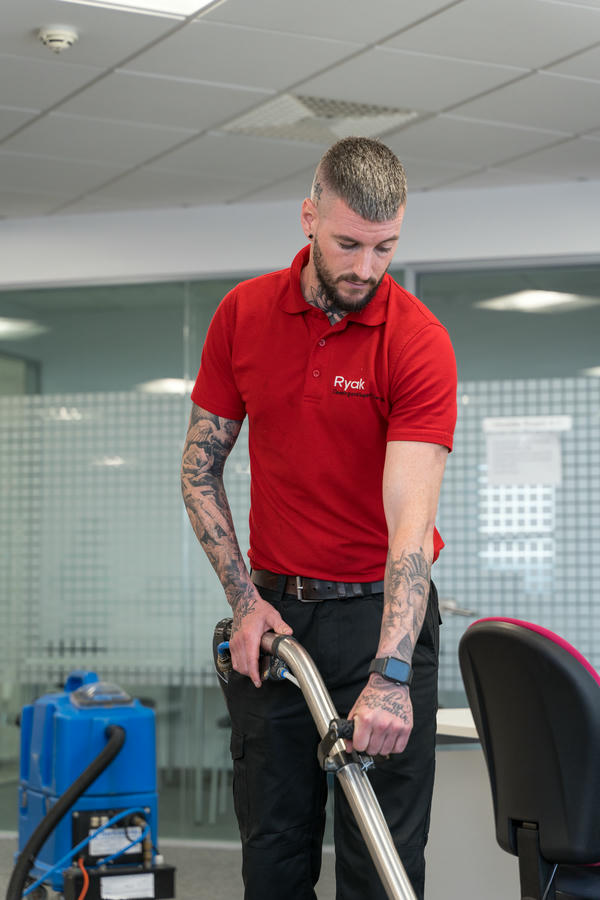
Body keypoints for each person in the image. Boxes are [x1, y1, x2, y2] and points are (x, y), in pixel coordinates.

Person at [181, 136, 457, 900]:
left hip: (381, 614)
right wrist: (245, 602)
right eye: (347, 243)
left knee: (380, 861)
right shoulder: (242, 314)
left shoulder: (418, 341)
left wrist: (393, 671)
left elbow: (410, 522)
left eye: (385, 247)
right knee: (273, 852)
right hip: (277, 619)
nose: (366, 268)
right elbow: (200, 467)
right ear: (309, 217)